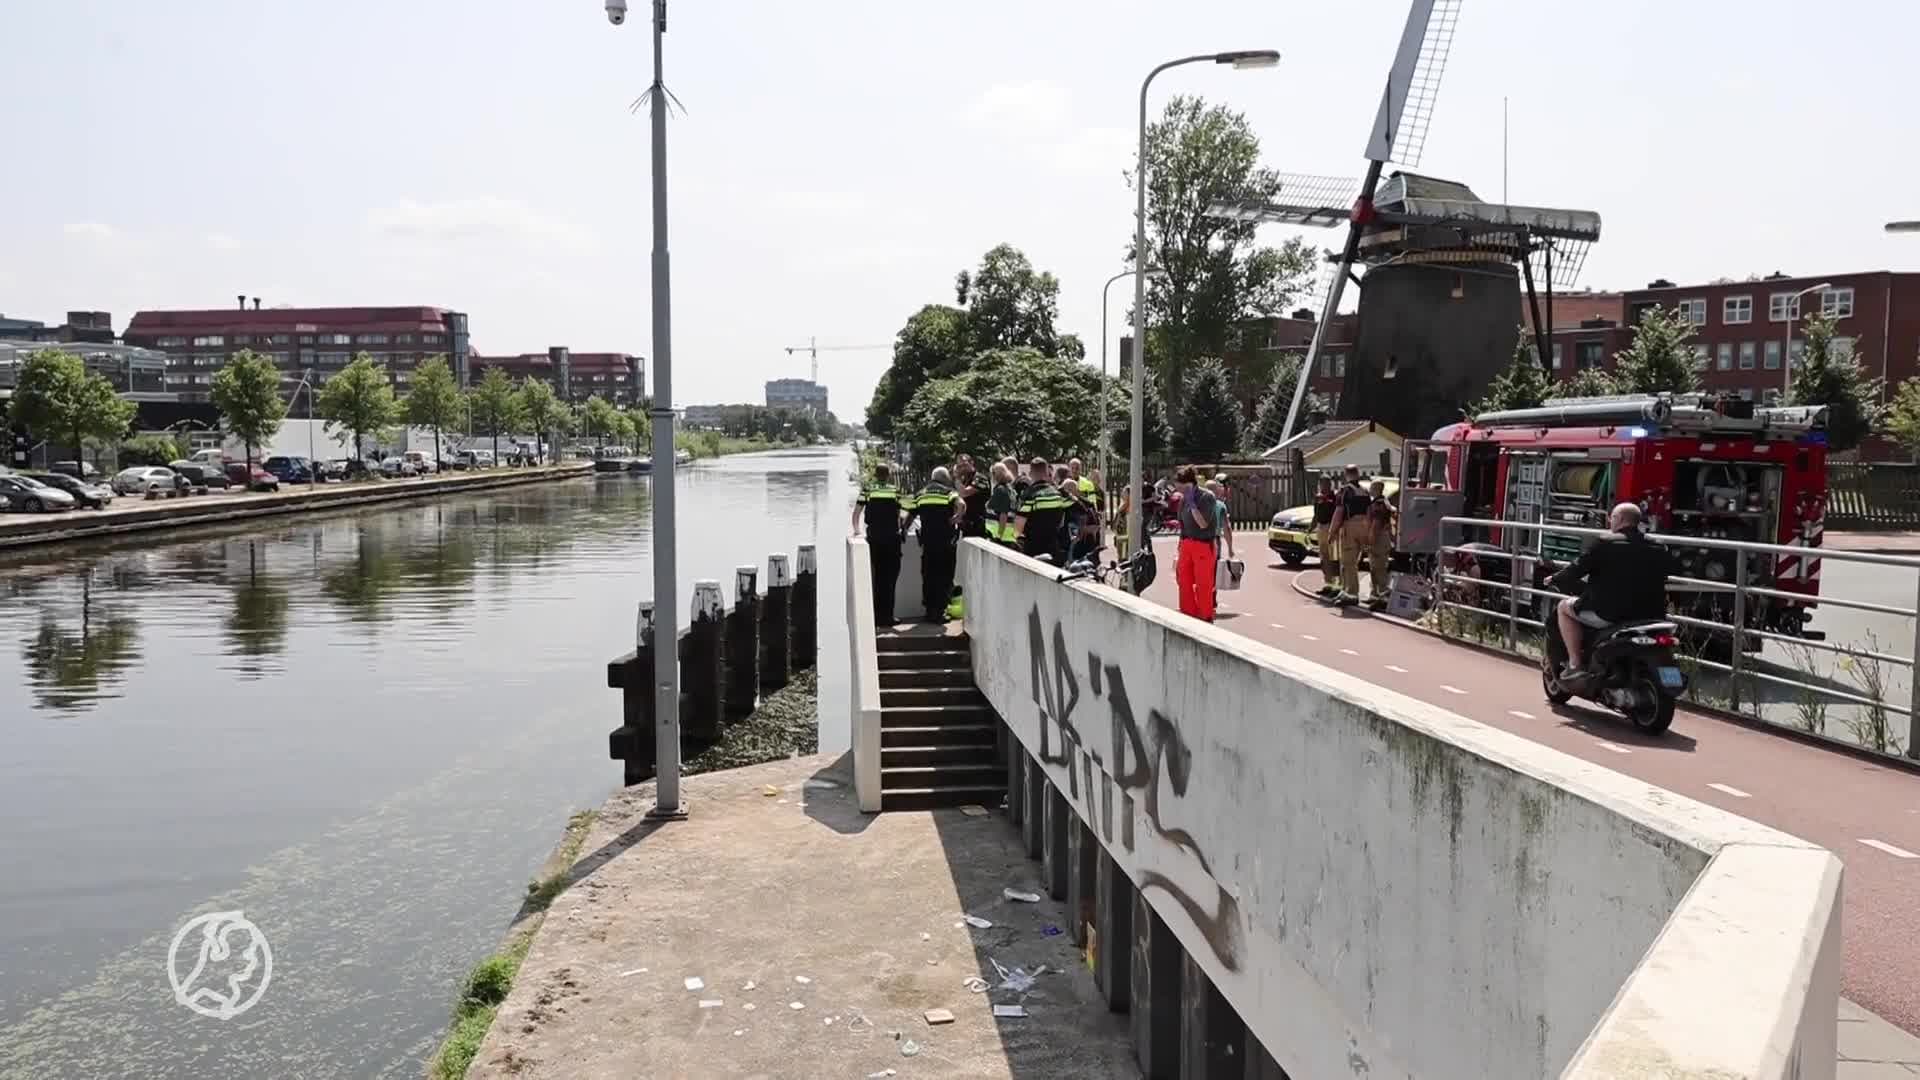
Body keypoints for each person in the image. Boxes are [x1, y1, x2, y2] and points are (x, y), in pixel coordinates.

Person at [1548, 502, 1683, 675]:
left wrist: (1554, 578)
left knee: (1563, 607)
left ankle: (1575, 663)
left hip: (1610, 614)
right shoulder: (1657, 546)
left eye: (1611, 518)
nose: (1610, 522)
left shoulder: (1605, 543)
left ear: (1619, 519)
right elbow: (1674, 570)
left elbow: (1576, 569)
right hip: (1651, 614)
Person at [851, 464, 905, 627]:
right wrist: (902, 528)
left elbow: (857, 512)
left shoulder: (867, 490)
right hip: (891, 538)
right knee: (889, 579)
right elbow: (903, 513)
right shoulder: (895, 491)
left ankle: (875, 617)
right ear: (888, 475)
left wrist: (857, 530)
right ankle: (887, 617)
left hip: (874, 538)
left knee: (875, 578)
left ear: (875, 475)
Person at [905, 466, 962, 622]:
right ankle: (940, 611)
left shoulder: (921, 494)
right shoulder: (949, 493)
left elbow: (910, 516)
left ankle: (930, 611)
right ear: (945, 479)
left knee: (928, 576)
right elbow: (962, 505)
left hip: (928, 543)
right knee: (944, 576)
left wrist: (903, 531)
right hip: (945, 542)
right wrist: (957, 518)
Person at [1172, 466, 1219, 621]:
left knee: (1203, 584)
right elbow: (1183, 526)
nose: (1180, 490)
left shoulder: (1207, 497)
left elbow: (1203, 524)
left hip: (1203, 545)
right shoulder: (1183, 500)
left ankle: (1205, 617)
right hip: (1187, 544)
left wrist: (1192, 504)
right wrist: (1178, 551)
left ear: (1190, 484)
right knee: (1184, 582)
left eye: (1182, 487)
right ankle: (1188, 615)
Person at [1327, 465, 1373, 607]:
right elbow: (1369, 511)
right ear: (1357, 474)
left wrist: (1332, 531)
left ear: (1346, 475)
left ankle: (1351, 593)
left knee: (1348, 562)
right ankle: (1347, 589)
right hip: (1364, 526)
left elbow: (1339, 512)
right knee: (1355, 561)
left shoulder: (1345, 491)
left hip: (1350, 526)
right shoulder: (1365, 491)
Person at [1014, 458, 1072, 565]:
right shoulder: (1058, 493)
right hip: (1054, 547)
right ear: (1047, 472)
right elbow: (1079, 507)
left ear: (1030, 473)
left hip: (1032, 549)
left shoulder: (1029, 495)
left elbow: (1018, 526)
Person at [1365, 479, 1395, 611]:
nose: (1370, 489)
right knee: (1374, 568)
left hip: (1379, 538)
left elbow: (1376, 525)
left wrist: (1370, 541)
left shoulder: (1378, 504)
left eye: (1372, 487)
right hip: (1383, 537)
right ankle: (1375, 595)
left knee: (1379, 568)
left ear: (1377, 489)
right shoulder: (1384, 502)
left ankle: (1384, 597)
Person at [1311, 476, 1339, 597]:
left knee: (1334, 557)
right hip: (1321, 528)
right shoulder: (1318, 498)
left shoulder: (1335, 497)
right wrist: (1311, 527)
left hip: (1331, 528)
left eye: (1326, 484)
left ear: (1330, 484)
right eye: (1322, 484)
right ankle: (1328, 584)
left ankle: (1337, 586)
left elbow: (1337, 513)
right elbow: (1316, 514)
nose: (1324, 486)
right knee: (1324, 557)